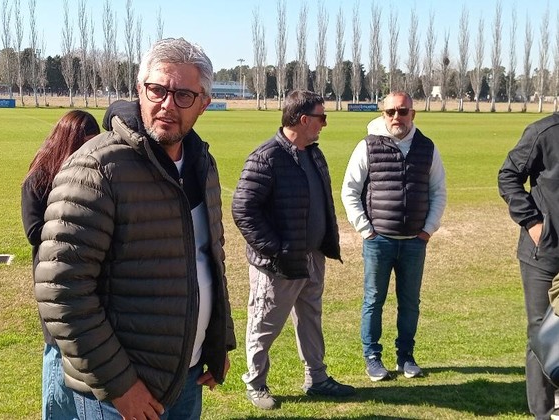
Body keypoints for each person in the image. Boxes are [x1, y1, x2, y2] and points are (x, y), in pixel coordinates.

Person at [34, 37, 236, 420]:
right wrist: (120, 386)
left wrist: (217, 341)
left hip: (187, 376)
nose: (167, 104)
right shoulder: (97, 168)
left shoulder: (202, 165)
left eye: (183, 95)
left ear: (204, 103)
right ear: (139, 89)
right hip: (118, 394)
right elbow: (61, 289)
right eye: (157, 90)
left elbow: (209, 260)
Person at [232, 89, 356, 411]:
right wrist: (275, 250)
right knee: (264, 323)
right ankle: (255, 383)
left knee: (310, 319)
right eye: (321, 117)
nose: (324, 124)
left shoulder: (314, 154)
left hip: (312, 257)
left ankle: (317, 378)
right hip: (278, 264)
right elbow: (243, 210)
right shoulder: (266, 157)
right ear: (303, 119)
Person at [341, 91, 446, 382]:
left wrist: (427, 230)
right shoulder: (367, 146)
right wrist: (366, 230)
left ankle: (405, 356)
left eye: (402, 111)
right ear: (383, 114)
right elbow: (350, 190)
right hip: (379, 242)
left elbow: (438, 191)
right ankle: (372, 357)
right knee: (373, 300)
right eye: (391, 112)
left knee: (410, 303)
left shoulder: (427, 147)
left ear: (413, 114)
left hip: (414, 242)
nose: (396, 117)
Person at [21, 109, 100, 420]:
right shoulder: (39, 179)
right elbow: (33, 231)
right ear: (69, 141)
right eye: (84, 143)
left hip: (86, 279)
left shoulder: (91, 176)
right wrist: (75, 226)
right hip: (53, 279)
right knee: (58, 349)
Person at [498, 113, 559, 420]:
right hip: (545, 253)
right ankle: (544, 413)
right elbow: (508, 176)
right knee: (542, 331)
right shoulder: (544, 132)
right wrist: (534, 223)